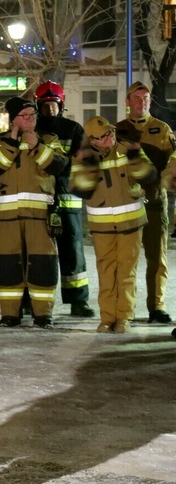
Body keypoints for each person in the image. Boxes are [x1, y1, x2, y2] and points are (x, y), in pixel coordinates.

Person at [0, 97, 68, 328]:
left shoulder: (49, 139)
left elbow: (59, 166)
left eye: (33, 115)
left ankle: (43, 314)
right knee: (7, 263)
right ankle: (10, 314)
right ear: (13, 120)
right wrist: (11, 144)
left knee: (43, 263)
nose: (30, 119)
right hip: (6, 216)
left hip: (40, 215)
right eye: (24, 116)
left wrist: (37, 147)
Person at [70, 116, 156, 334]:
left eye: (110, 132)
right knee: (106, 272)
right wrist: (87, 167)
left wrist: (137, 159)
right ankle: (107, 318)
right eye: (102, 137)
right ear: (92, 140)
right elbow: (80, 189)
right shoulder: (84, 157)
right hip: (102, 225)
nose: (109, 138)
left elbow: (149, 177)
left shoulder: (129, 149)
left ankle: (124, 318)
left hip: (131, 222)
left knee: (126, 271)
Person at [116, 81, 175, 325]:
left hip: (154, 202)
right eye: (137, 98)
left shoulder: (162, 129)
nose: (142, 102)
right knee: (125, 260)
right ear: (127, 102)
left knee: (157, 258)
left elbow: (173, 163)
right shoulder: (117, 130)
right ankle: (123, 309)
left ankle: (157, 306)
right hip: (126, 204)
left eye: (146, 98)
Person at [34, 81, 94, 317]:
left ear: (61, 105)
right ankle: (32, 300)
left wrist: (56, 165)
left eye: (54, 104)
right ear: (38, 105)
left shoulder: (74, 129)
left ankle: (78, 301)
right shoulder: (32, 129)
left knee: (73, 253)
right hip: (40, 200)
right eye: (46, 105)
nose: (50, 109)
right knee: (38, 254)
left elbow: (83, 162)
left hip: (68, 202)